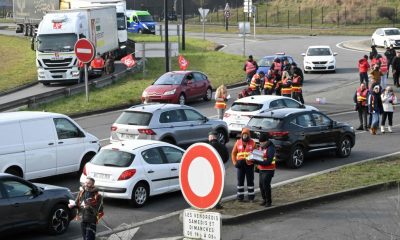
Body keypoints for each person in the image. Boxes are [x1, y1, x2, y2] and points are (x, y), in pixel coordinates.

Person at [231, 128, 256, 202]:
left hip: (249, 165)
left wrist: (255, 162)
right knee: (240, 181)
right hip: (240, 165)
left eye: (246, 134)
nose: (245, 136)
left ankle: (251, 197)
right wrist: (235, 163)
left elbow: (256, 154)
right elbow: (233, 153)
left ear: (249, 135)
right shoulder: (238, 142)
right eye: (243, 134)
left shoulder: (253, 143)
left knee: (250, 181)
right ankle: (240, 197)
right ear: (242, 135)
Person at [208, 131, 229, 209]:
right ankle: (217, 203)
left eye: (209, 136)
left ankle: (210, 203)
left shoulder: (208, 147)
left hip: (210, 170)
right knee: (218, 187)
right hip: (220, 169)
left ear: (212, 137)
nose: (208, 138)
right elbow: (226, 157)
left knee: (210, 187)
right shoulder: (222, 146)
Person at [254, 133, 275, 207]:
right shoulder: (261, 147)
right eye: (260, 142)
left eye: (262, 142)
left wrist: (256, 161)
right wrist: (253, 157)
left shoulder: (271, 148)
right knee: (261, 185)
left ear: (266, 141)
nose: (260, 144)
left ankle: (269, 202)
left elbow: (268, 161)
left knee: (266, 185)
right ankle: (264, 199)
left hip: (269, 170)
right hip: (262, 169)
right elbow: (259, 156)